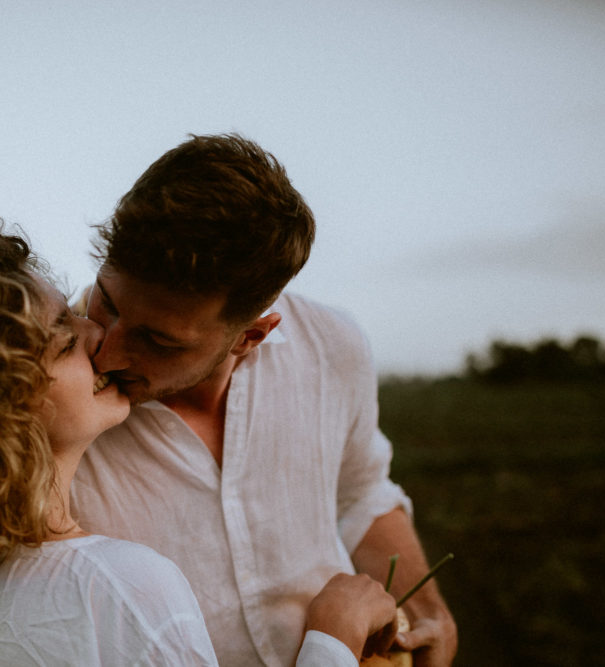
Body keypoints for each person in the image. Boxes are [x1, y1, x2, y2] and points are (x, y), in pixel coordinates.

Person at [0, 202, 400, 666]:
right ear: (0, 403)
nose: (98, 339)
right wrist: (333, 640)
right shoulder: (126, 589)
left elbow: (365, 487)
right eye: (65, 335)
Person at [70, 134, 458, 667]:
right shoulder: (48, 392)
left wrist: (427, 606)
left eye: (158, 340)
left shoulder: (333, 346)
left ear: (251, 335)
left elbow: (361, 493)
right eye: (108, 303)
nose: (107, 352)